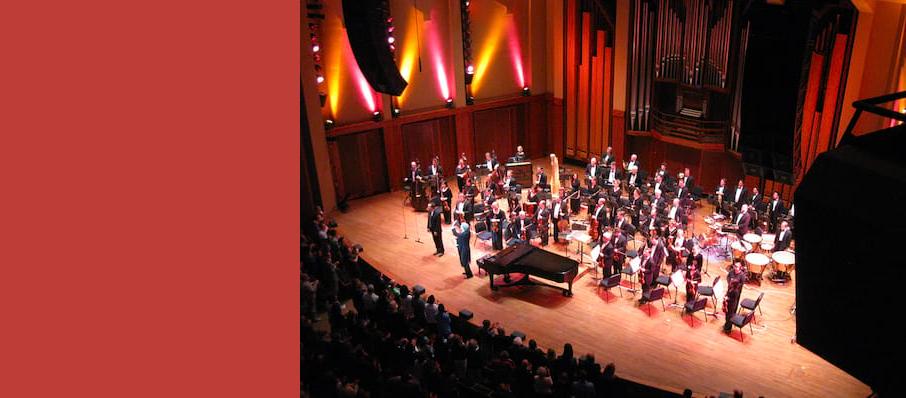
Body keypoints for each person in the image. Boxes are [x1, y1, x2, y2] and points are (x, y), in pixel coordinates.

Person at [723, 260, 747, 334]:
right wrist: (730, 283)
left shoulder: (742, 276)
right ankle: (728, 323)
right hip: (730, 291)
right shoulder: (731, 272)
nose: (735, 267)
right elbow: (728, 277)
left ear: (740, 268)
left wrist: (734, 286)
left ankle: (728, 326)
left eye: (736, 267)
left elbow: (741, 284)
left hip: (736, 293)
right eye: (734, 266)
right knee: (728, 310)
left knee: (732, 309)